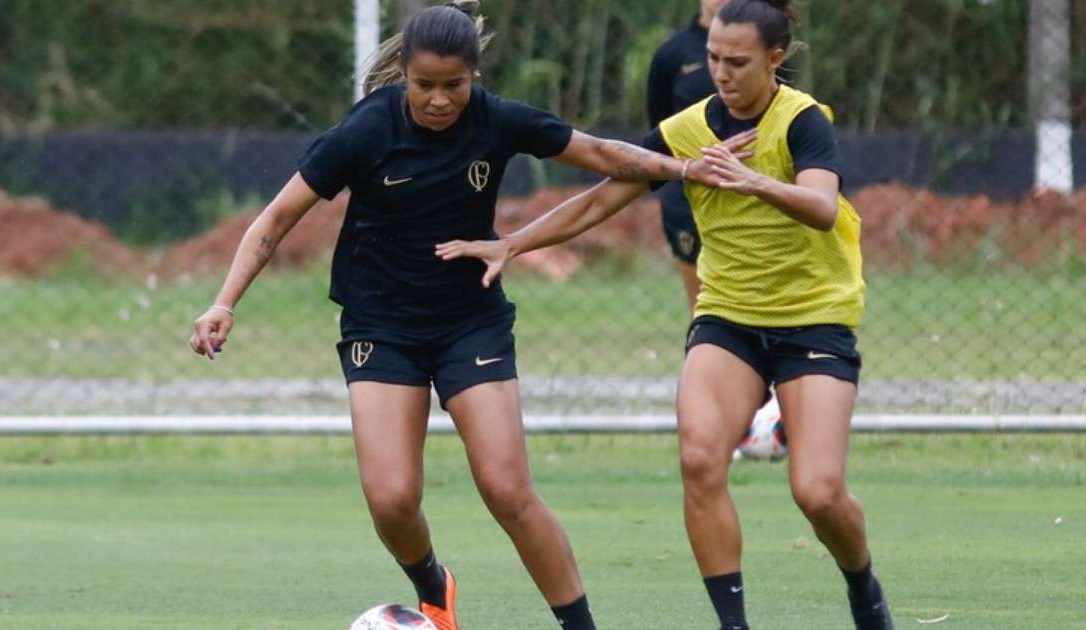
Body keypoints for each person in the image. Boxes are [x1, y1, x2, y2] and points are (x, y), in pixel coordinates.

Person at [188, 3, 708, 629]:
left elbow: (601, 154)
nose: (438, 100)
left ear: (474, 76)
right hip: (380, 326)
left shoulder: (497, 120)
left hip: (471, 322)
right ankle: (432, 582)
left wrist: (683, 168)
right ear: (403, 74)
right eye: (424, 86)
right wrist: (224, 301)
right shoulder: (366, 131)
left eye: (453, 86)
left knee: (508, 491)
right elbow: (274, 219)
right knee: (391, 498)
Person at [435, 1, 894, 628]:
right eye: (713, 59)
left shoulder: (801, 121)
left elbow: (820, 206)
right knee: (700, 459)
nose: (722, 73)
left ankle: (862, 586)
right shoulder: (686, 129)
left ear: (776, 58)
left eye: (738, 62)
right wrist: (513, 242)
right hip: (728, 319)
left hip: (814, 319)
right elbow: (603, 198)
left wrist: (748, 178)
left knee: (817, 493)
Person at [646, 0, 731, 311]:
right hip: (688, 195)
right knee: (705, 309)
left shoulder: (763, 44)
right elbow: (659, 130)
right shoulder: (672, 54)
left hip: (749, 188)